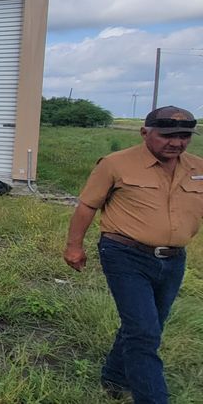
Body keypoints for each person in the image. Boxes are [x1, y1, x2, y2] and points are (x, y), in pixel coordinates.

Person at [63, 105, 202, 404]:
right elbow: (87, 205)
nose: (176, 142)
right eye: (167, 135)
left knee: (148, 325)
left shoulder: (198, 169)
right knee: (144, 333)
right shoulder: (116, 164)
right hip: (124, 254)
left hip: (174, 260)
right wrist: (74, 246)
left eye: (184, 136)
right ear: (145, 133)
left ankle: (114, 377)